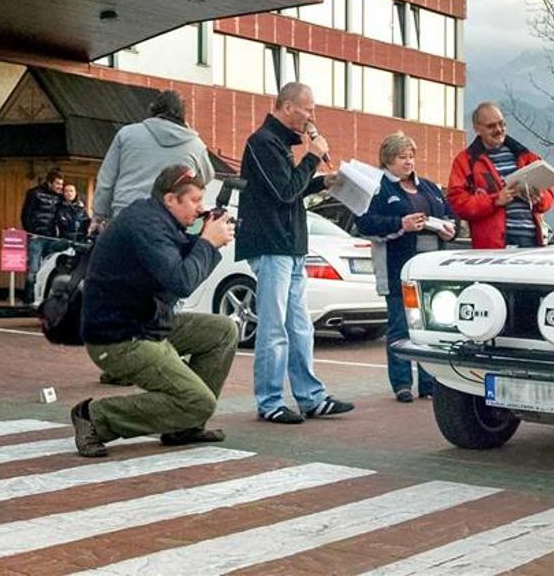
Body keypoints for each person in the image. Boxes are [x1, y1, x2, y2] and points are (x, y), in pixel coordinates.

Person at [70, 164, 238, 458]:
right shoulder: (145, 225)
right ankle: (95, 417)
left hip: (148, 323)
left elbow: (178, 270)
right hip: (119, 339)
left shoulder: (158, 221)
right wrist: (208, 243)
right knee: (200, 401)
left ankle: (184, 425)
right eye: (195, 200)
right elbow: (182, 281)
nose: (200, 208)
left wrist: (206, 238)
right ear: (171, 199)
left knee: (223, 331)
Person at [236, 82, 355, 424]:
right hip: (272, 244)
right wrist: (314, 157)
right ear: (288, 107)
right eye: (309, 109)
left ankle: (310, 396)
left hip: (290, 245)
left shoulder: (281, 144)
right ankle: (270, 400)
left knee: (300, 325)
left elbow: (291, 187)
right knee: (275, 327)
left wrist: (321, 182)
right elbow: (284, 191)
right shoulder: (262, 142)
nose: (312, 117)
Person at [356, 132, 455, 402]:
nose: (408, 162)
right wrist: (401, 224)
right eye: (402, 157)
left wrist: (448, 229)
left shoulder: (430, 187)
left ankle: (429, 382)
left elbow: (450, 215)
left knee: (431, 326)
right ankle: (401, 383)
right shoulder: (379, 188)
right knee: (401, 326)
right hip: (398, 267)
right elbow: (366, 225)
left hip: (432, 269)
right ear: (388, 160)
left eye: (411, 156)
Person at [447, 101, 554, 249]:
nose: (499, 130)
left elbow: (549, 196)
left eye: (502, 124)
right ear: (477, 129)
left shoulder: (526, 156)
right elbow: (457, 203)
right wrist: (496, 200)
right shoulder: (465, 161)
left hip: (531, 242)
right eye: (491, 126)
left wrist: (539, 198)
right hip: (493, 248)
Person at [94, 91, 212, 227]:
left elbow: (106, 180)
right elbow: (205, 178)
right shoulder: (194, 144)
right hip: (169, 219)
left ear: (152, 110)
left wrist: (99, 214)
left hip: (126, 214)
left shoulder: (126, 134)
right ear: (183, 116)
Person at [20, 169, 64, 300]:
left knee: (48, 269)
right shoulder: (34, 193)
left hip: (51, 236)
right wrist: (30, 231)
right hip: (37, 236)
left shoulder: (59, 197)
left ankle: (42, 298)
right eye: (57, 184)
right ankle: (28, 299)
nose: (60, 187)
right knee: (33, 269)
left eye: (61, 184)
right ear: (50, 183)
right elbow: (25, 215)